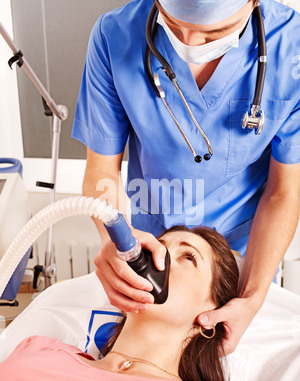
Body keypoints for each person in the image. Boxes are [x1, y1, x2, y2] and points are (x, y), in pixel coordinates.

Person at [72, 0, 300, 354]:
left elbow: (284, 191)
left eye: (214, 32)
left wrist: (252, 296)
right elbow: (102, 170)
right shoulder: (114, 36)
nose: (191, 44)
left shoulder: (293, 48)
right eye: (174, 26)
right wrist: (116, 240)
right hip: (147, 248)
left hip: (237, 265)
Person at [0, 226, 246, 381]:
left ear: (212, 314)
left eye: (188, 257)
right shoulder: (37, 348)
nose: (159, 257)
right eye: (155, 248)